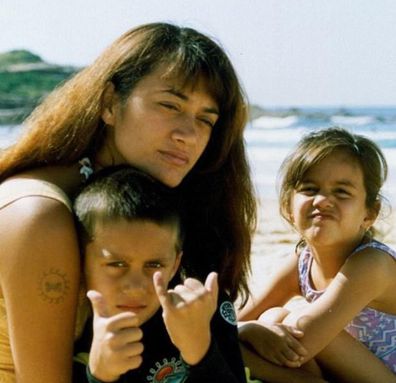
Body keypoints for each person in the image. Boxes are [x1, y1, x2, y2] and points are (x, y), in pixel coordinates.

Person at [0, 22, 256, 382]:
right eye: (170, 105)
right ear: (109, 103)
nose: (188, 134)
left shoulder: (143, 203)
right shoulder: (38, 213)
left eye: (205, 119)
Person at [238, 127, 396, 382]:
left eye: (342, 192)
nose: (322, 201)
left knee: (289, 321)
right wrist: (246, 329)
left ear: (370, 213)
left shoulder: (372, 263)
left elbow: (301, 343)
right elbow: (235, 320)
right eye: (310, 189)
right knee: (271, 318)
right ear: (288, 206)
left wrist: (240, 335)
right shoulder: (302, 263)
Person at [72, 165, 247, 382]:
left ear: (175, 264)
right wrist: (99, 374)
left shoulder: (201, 310)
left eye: (154, 265)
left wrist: (200, 349)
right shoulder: (69, 326)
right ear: (80, 261)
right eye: (116, 264)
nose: (136, 286)